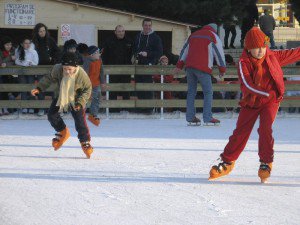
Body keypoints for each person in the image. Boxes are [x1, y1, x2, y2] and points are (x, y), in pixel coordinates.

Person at [209, 27, 300, 183]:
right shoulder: (244, 62)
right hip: (251, 100)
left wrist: (270, 95)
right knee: (241, 131)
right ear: (248, 49)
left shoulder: (272, 56)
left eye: (263, 47)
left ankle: (266, 162)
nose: (260, 51)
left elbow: (293, 53)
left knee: (265, 129)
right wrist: (266, 93)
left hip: (270, 102)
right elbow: (247, 85)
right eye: (256, 48)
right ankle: (227, 161)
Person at [31, 52, 93, 158]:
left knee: (80, 121)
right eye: (65, 68)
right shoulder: (57, 69)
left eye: (70, 69)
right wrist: (39, 88)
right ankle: (63, 131)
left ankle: (85, 142)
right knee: (51, 115)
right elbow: (48, 78)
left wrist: (81, 102)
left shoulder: (81, 73)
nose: (67, 71)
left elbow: (87, 89)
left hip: (77, 99)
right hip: (61, 96)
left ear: (75, 66)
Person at [175, 23, 226, 126]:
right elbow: (219, 53)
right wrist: (222, 69)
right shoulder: (213, 36)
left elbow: (184, 50)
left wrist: (179, 65)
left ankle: (190, 117)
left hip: (189, 67)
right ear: (214, 30)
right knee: (208, 92)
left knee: (191, 92)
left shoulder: (193, 35)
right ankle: (207, 117)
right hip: (203, 67)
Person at [133, 18, 163, 113]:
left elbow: (159, 52)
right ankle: (141, 107)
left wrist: (148, 54)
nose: (147, 27)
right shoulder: (138, 36)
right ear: (142, 25)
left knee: (148, 86)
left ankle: (149, 108)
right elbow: (133, 49)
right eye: (146, 25)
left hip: (149, 65)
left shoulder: (156, 37)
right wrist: (134, 56)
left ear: (151, 26)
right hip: (138, 65)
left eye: (149, 25)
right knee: (139, 86)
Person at [32, 23, 61, 116]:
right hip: (38, 68)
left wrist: (53, 59)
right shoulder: (34, 42)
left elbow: (57, 52)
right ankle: (41, 108)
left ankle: (54, 108)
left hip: (50, 68)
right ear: (37, 32)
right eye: (40, 31)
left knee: (53, 88)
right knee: (40, 87)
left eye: (44, 30)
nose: (42, 32)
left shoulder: (50, 40)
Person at [102, 25, 133, 101]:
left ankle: (126, 109)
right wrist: (106, 69)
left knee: (126, 89)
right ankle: (113, 110)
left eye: (123, 31)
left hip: (126, 70)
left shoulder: (129, 41)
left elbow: (133, 55)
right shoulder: (109, 41)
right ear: (115, 32)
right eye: (119, 31)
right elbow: (104, 55)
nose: (121, 33)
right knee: (113, 90)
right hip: (112, 70)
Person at [83, 45, 106, 126]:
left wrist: (102, 82)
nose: (99, 54)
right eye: (97, 53)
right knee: (84, 101)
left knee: (96, 99)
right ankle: (80, 117)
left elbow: (101, 72)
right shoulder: (87, 62)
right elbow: (84, 74)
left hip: (96, 84)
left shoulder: (99, 60)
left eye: (99, 52)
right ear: (91, 55)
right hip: (87, 85)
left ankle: (93, 115)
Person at [15, 38, 39, 114]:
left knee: (31, 89)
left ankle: (31, 106)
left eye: (29, 43)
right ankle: (24, 106)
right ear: (22, 44)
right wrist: (24, 63)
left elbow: (36, 62)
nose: (27, 45)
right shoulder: (19, 51)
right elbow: (17, 60)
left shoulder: (33, 51)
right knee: (23, 89)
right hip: (21, 73)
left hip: (31, 73)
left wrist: (30, 63)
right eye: (26, 43)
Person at [0, 36, 16, 115]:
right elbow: (1, 62)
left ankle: (5, 107)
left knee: (5, 91)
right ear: (3, 45)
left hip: (8, 75)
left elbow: (13, 62)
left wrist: (6, 63)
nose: (9, 46)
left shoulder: (13, 51)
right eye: (7, 45)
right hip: (1, 75)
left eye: (10, 44)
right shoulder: (1, 52)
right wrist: (10, 58)